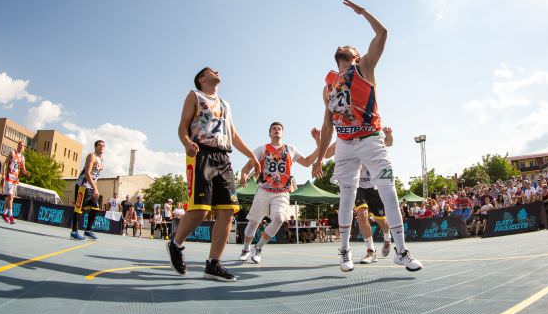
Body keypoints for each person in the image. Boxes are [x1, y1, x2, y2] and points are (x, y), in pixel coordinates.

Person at [312, 0, 422, 272]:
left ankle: (401, 250)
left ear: (357, 56)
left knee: (388, 192)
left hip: (371, 139)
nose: (343, 46)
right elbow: (327, 124)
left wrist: (363, 13)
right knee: (347, 198)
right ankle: (344, 251)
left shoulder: (364, 69)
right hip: (345, 144)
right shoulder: (328, 86)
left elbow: (382, 33)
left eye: (349, 48)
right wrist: (317, 159)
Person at [166, 66, 261, 282]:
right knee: (200, 211)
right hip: (201, 154)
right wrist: (187, 142)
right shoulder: (195, 96)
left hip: (224, 158)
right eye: (212, 70)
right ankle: (175, 244)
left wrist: (252, 157)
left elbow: (233, 135)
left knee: (228, 211)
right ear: (202, 79)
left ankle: (213, 264)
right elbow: (182, 127)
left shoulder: (226, 104)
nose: (217, 71)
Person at [238, 122, 318, 263]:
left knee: (280, 218)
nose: (276, 130)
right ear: (269, 133)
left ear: (282, 132)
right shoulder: (262, 149)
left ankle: (258, 247)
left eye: (279, 129)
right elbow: (247, 167)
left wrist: (319, 143)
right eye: (274, 129)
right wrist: (243, 175)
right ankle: (245, 248)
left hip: (282, 191)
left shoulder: (290, 149)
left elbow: (307, 162)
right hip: (264, 189)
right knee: (253, 223)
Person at [319, 126, 395, 264]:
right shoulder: (342, 141)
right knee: (361, 214)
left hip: (373, 185)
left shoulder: (369, 136)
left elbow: (388, 143)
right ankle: (371, 251)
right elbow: (326, 154)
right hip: (357, 185)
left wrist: (389, 135)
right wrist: (317, 139)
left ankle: (387, 238)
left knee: (382, 221)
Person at [71, 140, 105, 240]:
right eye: (99, 145)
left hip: (91, 187)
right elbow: (87, 173)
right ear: (95, 147)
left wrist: (95, 188)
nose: (101, 147)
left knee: (95, 208)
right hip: (83, 185)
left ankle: (88, 231)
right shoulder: (92, 156)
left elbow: (95, 177)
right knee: (79, 208)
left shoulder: (101, 159)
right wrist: (95, 188)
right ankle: (74, 232)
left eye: (103, 146)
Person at [1, 140, 30, 224]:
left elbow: (23, 169)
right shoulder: (12, 153)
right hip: (9, 177)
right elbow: (5, 163)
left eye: (22, 145)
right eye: (20, 145)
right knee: (10, 197)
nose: (21, 146)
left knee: (11, 199)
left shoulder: (22, 158)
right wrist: (3, 175)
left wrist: (27, 173)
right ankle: (11, 216)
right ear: (18, 145)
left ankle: (4, 214)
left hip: (15, 179)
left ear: (24, 147)